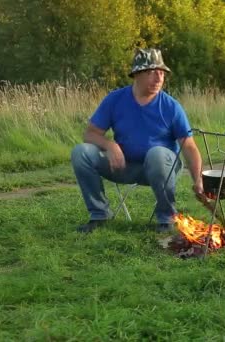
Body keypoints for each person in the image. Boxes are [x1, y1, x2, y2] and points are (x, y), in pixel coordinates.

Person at [71, 48, 204, 234]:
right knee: (81, 152)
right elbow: (90, 134)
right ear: (136, 74)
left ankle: (166, 219)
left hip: (161, 169)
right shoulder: (115, 100)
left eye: (162, 73)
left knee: (156, 154)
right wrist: (110, 145)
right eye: (151, 73)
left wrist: (198, 179)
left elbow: (188, 146)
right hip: (123, 165)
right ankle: (99, 215)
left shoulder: (171, 107)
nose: (158, 79)